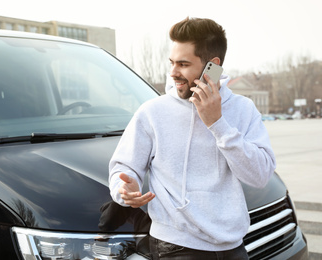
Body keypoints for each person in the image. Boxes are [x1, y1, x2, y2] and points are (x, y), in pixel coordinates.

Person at [109, 17, 276, 259]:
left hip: (233, 248)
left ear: (213, 66)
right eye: (172, 63)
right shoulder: (152, 112)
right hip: (174, 247)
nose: (173, 73)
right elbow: (123, 166)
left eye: (183, 64)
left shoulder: (244, 109)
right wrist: (124, 188)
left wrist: (217, 124)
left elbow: (260, 176)